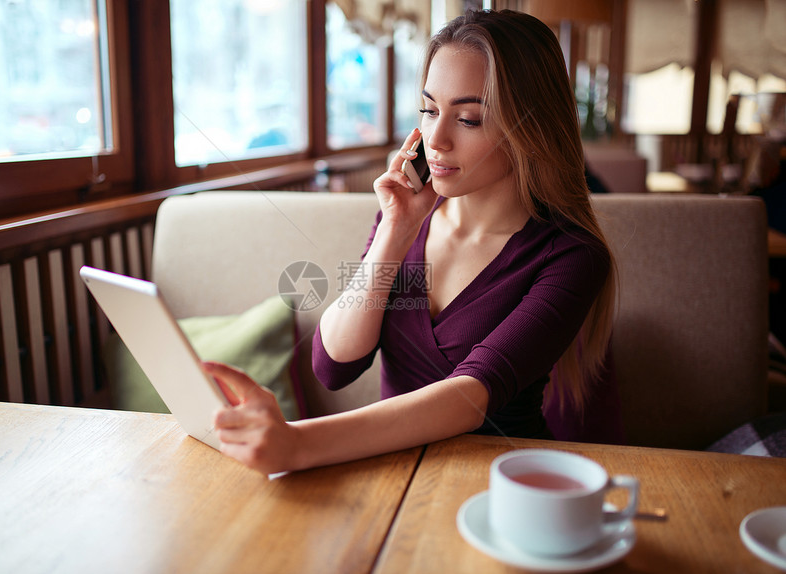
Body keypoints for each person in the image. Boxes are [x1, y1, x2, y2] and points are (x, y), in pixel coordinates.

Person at [208, 9, 616, 474]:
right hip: (388, 472)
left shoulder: (572, 256)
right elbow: (334, 364)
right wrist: (395, 232)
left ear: (530, 130)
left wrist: (298, 443)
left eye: (468, 119)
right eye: (429, 109)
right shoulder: (407, 219)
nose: (436, 138)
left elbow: (469, 396)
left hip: (499, 482)